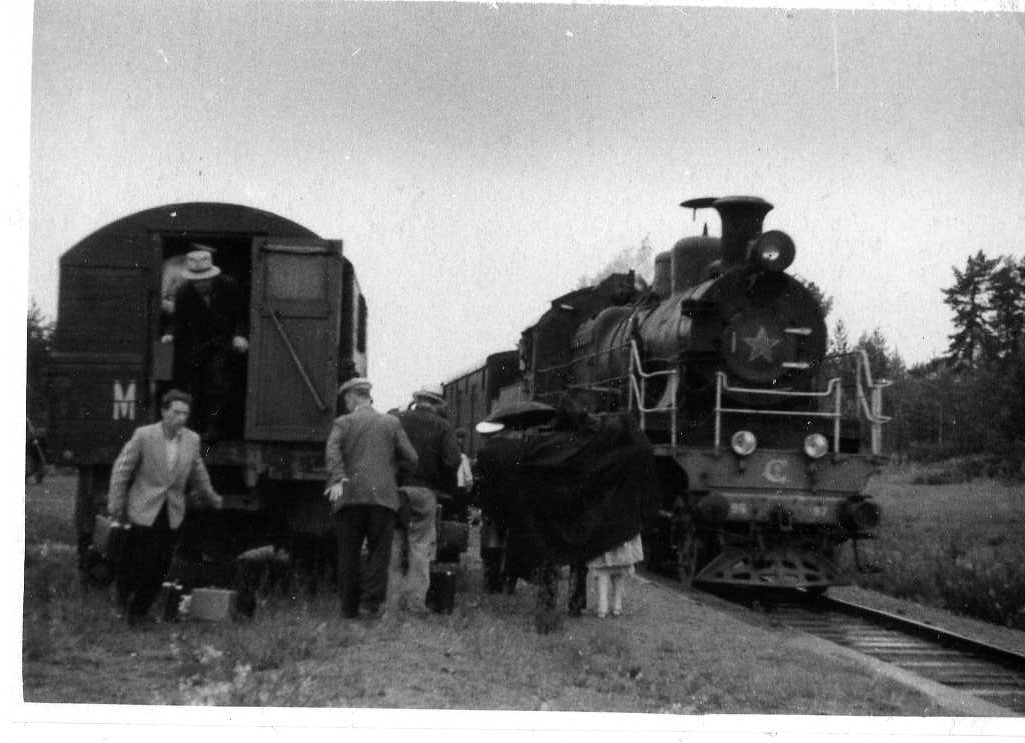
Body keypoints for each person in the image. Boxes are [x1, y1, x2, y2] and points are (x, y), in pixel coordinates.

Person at [107, 389, 223, 626]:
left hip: (171, 512)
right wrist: (116, 503)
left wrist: (212, 497)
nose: (181, 418)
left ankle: (140, 612)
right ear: (164, 412)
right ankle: (122, 602)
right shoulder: (144, 435)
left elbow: (198, 472)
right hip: (143, 509)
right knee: (136, 561)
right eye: (176, 412)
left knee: (160, 565)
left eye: (185, 414)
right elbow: (122, 470)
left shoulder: (192, 440)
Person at [325, 377, 418, 619]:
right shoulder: (391, 423)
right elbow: (411, 457)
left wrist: (338, 476)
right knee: (379, 552)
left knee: (348, 552)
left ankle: (348, 608)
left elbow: (332, 451)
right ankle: (371, 605)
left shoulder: (342, 423)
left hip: (349, 496)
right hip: (383, 498)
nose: (345, 403)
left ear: (353, 397)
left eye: (346, 399)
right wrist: (394, 475)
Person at [161, 247, 248, 440]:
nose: (201, 284)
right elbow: (178, 320)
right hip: (196, 344)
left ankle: (213, 429)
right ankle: (193, 429)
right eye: (196, 281)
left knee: (218, 384)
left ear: (212, 276)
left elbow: (241, 315)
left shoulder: (229, 286)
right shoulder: (185, 292)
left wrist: (240, 335)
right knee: (193, 387)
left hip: (223, 343)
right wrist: (170, 334)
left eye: (205, 280)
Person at [391, 387, 461, 613]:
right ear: (437, 404)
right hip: (425, 491)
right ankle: (415, 602)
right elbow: (452, 460)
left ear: (416, 400)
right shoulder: (443, 426)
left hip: (397, 490)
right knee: (420, 545)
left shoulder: (398, 419)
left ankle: (391, 599)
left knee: (395, 541)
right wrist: (445, 488)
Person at [588, 532, 644, 618]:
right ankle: (617, 606)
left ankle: (602, 608)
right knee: (618, 571)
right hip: (621, 538)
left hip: (604, 538)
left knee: (602, 572)